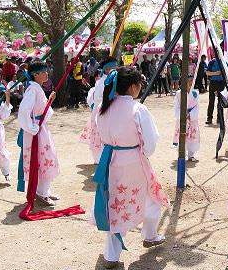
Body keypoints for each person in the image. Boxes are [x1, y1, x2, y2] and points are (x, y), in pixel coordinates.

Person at [91, 66, 168, 268]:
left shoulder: (102, 107)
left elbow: (98, 138)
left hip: (109, 160)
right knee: (150, 197)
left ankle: (111, 254)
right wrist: (144, 153)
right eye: (140, 83)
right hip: (132, 160)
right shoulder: (137, 109)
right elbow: (151, 141)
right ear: (133, 86)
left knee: (114, 202)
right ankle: (150, 235)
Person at [17, 61, 60, 205]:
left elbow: (40, 109)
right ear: (35, 75)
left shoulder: (37, 88)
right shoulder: (33, 90)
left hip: (40, 129)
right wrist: (32, 127)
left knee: (45, 158)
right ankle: (41, 192)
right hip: (36, 131)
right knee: (43, 159)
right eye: (43, 72)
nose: (46, 74)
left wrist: (49, 101)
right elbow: (24, 111)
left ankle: (44, 190)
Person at [80, 58, 117, 165]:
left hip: (112, 112)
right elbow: (98, 99)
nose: (116, 69)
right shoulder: (101, 82)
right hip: (102, 112)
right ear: (106, 69)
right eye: (113, 67)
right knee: (101, 138)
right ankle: (101, 160)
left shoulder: (114, 80)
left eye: (116, 66)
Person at [173, 86, 200, 161]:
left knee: (192, 135)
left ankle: (191, 155)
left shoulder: (195, 93)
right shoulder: (179, 93)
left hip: (192, 118)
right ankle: (182, 154)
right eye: (188, 80)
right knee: (182, 135)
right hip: (182, 117)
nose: (190, 83)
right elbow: (176, 106)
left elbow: (197, 106)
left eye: (192, 80)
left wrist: (190, 115)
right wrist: (182, 114)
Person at [206, 54, 225, 125]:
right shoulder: (212, 62)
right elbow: (207, 73)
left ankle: (219, 118)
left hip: (221, 83)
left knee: (220, 101)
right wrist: (216, 73)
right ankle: (209, 118)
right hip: (213, 83)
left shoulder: (223, 61)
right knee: (211, 101)